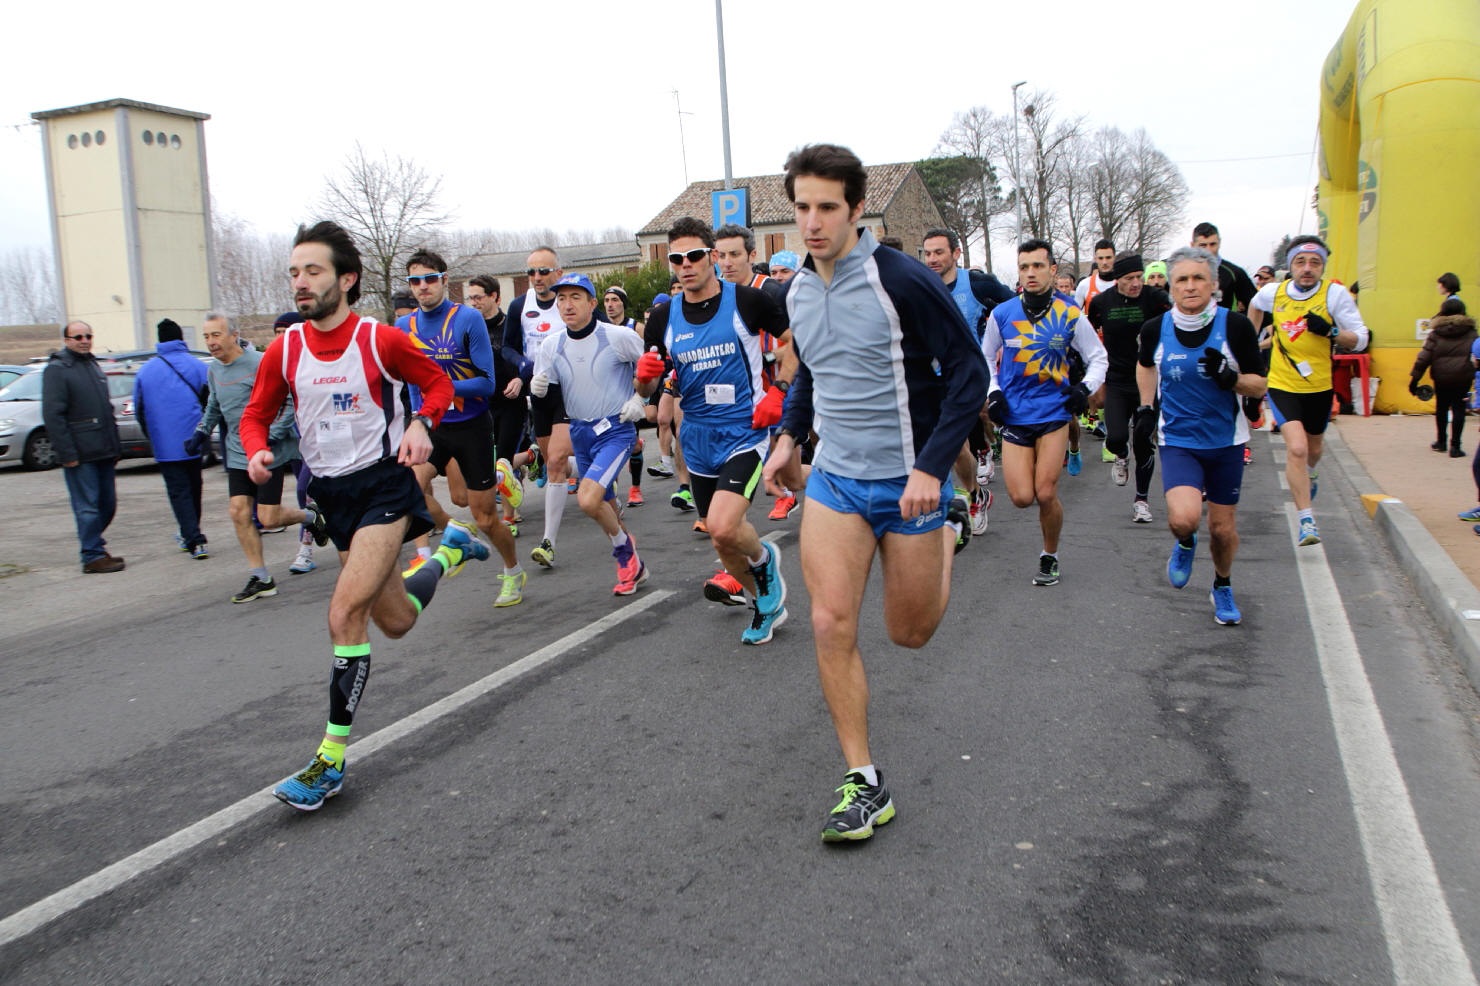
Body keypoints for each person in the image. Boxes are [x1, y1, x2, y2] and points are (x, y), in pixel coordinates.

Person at [763, 143, 988, 843]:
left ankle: (949, 527)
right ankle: (864, 780)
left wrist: (931, 468)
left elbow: (969, 374)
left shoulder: (902, 281)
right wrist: (790, 437)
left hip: (911, 485)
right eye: (802, 207)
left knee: (909, 634)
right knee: (831, 623)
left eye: (828, 207)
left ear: (858, 210)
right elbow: (813, 374)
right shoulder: (797, 288)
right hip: (836, 482)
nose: (813, 222)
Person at [240, 220, 479, 811]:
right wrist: (256, 451)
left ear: (346, 279)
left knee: (345, 612)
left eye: (313, 271)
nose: (300, 282)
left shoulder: (380, 339)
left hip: (384, 488)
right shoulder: (284, 349)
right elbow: (254, 414)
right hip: (333, 497)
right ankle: (451, 550)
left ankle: (329, 761)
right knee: (394, 620)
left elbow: (437, 385)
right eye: (294, 272)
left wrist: (422, 422)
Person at [643, 216, 792, 642]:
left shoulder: (747, 301)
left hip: (743, 430)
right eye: (676, 258)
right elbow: (650, 384)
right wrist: (645, 377)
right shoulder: (662, 317)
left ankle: (764, 562)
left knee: (727, 526)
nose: (685, 265)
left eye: (693, 255)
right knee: (720, 541)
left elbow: (792, 344)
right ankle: (765, 600)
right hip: (697, 436)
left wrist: (779, 390)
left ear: (710, 257)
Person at [1136, 246, 1267, 625]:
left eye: (1198, 279)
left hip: (1226, 442)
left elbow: (1259, 386)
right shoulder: (1155, 329)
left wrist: (1232, 379)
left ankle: (1222, 585)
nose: (1190, 286)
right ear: (1171, 287)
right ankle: (1185, 541)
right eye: (1182, 280)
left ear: (1213, 285)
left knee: (1223, 530)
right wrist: (1146, 408)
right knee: (1183, 518)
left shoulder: (1236, 327)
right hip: (1178, 440)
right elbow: (1146, 366)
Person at [397, 250, 526, 607]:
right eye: (415, 281)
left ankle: (513, 571)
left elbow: (486, 383)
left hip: (471, 426)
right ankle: (452, 533)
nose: (422, 286)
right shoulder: (404, 327)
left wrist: (440, 388)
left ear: (443, 279)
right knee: (406, 484)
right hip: (432, 424)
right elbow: (410, 382)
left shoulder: (466, 318)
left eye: (429, 278)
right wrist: (416, 419)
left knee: (484, 516)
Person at [983, 238, 1108, 586]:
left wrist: (1083, 389)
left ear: (1052, 270)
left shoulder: (1069, 314)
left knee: (1047, 493)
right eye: (1024, 267)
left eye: (1038, 266)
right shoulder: (1003, 314)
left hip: (1053, 412)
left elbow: (1098, 357)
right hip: (1015, 414)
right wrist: (993, 393)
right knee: (1023, 498)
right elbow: (984, 356)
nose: (1031, 273)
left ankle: (1049, 555)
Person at [187, 313, 323, 603]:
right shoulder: (214, 370)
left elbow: (289, 402)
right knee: (238, 512)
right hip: (238, 451)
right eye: (207, 337)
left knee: (269, 518)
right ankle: (261, 577)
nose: (211, 342)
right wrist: (201, 432)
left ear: (234, 335)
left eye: (216, 335)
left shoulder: (259, 363)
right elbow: (213, 404)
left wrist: (270, 434)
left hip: (268, 452)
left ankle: (311, 516)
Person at [1247, 235, 1370, 546]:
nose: (1307, 269)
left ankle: (1311, 474)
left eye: (1315, 263)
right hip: (1282, 384)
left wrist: (1331, 332)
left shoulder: (1335, 295)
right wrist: (1251, 340)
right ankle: (1306, 520)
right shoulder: (1274, 292)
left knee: (1313, 450)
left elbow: (1361, 338)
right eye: (1300, 262)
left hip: (1318, 386)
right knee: (1297, 448)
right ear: (1290, 266)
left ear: (1322, 268)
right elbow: (1254, 304)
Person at [533, 272, 650, 593]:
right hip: (580, 431)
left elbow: (654, 367)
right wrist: (537, 390)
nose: (566, 305)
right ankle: (634, 564)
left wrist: (641, 398)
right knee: (606, 507)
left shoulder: (617, 336)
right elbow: (547, 397)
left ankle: (624, 553)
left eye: (575, 297)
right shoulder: (551, 344)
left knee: (587, 499)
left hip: (616, 429)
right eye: (561, 299)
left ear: (592, 303)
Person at [921, 227, 1015, 537]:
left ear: (956, 253)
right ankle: (975, 494)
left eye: (939, 252)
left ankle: (963, 497)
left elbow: (1014, 309)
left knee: (955, 443)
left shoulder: (977, 284)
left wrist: (1006, 345)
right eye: (928, 253)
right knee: (950, 448)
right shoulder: (919, 285)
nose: (933, 259)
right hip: (931, 378)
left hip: (969, 377)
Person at [1087, 252, 1171, 522]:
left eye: (1139, 277)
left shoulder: (1156, 299)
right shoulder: (1101, 303)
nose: (1135, 283)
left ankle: (1141, 501)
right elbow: (1088, 335)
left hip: (1148, 379)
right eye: (1128, 279)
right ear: (1117, 280)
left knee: (1144, 440)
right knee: (1115, 438)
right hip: (1117, 379)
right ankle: (1121, 456)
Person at [504, 247, 574, 567]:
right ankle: (590, 472)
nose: (536, 278)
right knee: (554, 461)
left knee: (558, 460)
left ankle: (548, 541)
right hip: (539, 390)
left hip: (569, 388)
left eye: (543, 271)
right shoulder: (520, 305)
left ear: (558, 273)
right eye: (531, 272)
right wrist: (524, 366)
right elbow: (507, 346)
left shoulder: (568, 301)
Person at [42, 320, 125, 573]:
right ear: (67, 340)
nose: (84, 340)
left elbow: (106, 410)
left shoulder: (93, 365)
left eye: (88, 335)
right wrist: (67, 454)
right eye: (77, 337)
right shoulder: (57, 369)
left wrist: (115, 448)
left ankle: (94, 544)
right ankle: (92, 555)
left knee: (107, 505)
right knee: (87, 506)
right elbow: (53, 416)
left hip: (103, 450)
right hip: (80, 454)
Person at [133, 317, 210, 559]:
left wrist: (153, 436)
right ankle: (192, 534)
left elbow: (139, 409)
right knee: (194, 487)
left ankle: (193, 538)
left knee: (178, 491)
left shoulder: (145, 372)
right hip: (194, 440)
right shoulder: (198, 366)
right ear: (181, 338)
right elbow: (211, 402)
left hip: (165, 444)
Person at [271, 311, 320, 575]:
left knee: (304, 492)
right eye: (277, 334)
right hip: (292, 444)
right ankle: (309, 546)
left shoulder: (313, 363)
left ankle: (305, 549)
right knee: (308, 496)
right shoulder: (276, 364)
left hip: (318, 441)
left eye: (286, 333)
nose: (281, 339)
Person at [1410, 297, 1475, 457]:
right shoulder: (1471, 332)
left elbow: (1424, 358)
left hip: (1441, 377)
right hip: (1463, 377)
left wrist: (1415, 379)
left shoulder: (1436, 333)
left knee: (1442, 408)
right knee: (1459, 408)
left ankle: (1441, 442)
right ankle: (1456, 447)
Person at [1191, 222, 1256, 313]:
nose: (1208, 250)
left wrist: (1238, 324)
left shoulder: (1234, 273)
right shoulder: (1180, 272)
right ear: (1192, 245)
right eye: (1203, 245)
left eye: (1213, 244)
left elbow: (1256, 306)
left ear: (1219, 243)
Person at [1074, 239, 1116, 309]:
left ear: (1114, 258)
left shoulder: (1123, 284)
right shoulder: (1084, 285)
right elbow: (1074, 316)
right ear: (1095, 259)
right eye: (1100, 258)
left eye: (1108, 258)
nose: (1104, 262)